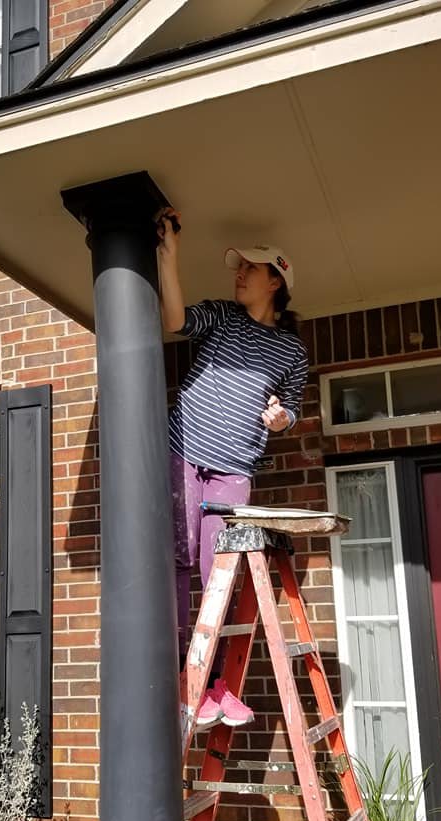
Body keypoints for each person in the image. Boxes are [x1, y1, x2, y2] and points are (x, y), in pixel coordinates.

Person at [157, 209, 308, 729]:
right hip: (182, 453)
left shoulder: (291, 350)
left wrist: (282, 416)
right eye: (238, 267)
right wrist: (170, 257)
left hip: (232, 472)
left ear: (276, 280)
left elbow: (292, 409)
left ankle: (214, 684)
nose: (239, 275)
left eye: (250, 268)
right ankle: (184, 684)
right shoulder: (223, 316)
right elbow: (174, 320)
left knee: (219, 575)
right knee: (179, 565)